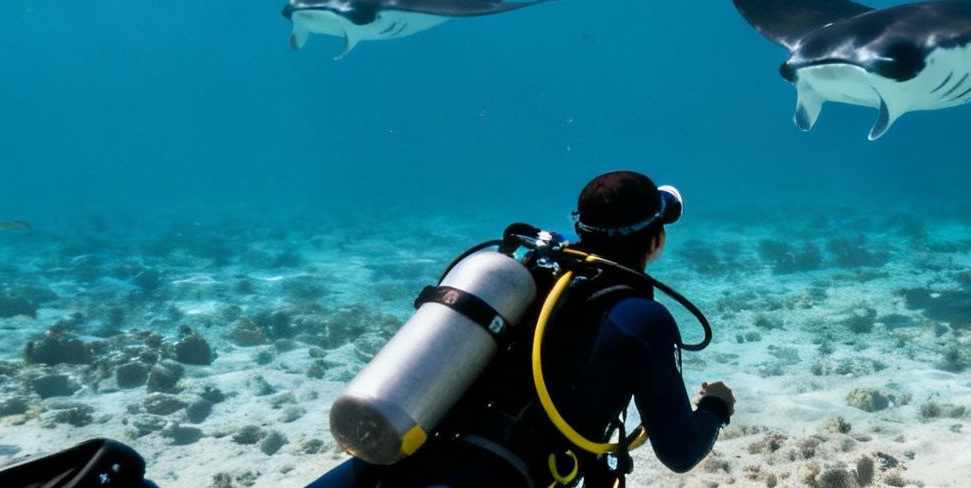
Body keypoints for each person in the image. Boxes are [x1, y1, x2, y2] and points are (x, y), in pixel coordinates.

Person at [308, 171, 734, 488]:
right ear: (656, 240)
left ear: (580, 225)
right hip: (498, 478)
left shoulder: (522, 273)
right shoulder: (644, 320)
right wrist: (715, 409)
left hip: (402, 452)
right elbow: (679, 452)